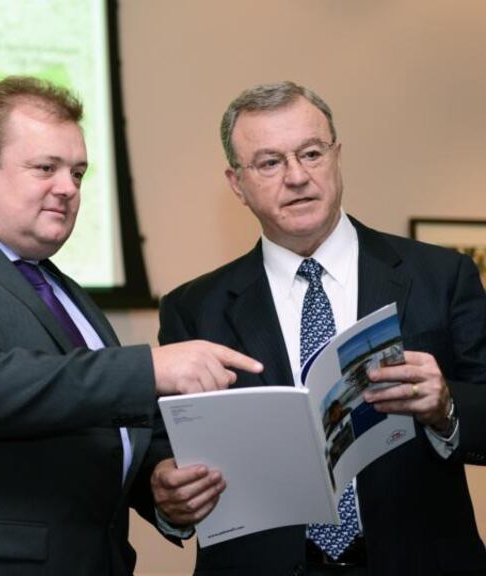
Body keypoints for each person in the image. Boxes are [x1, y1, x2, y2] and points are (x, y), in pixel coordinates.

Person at [0, 76, 262, 575]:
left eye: (78, 173)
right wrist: (150, 368)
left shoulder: (60, 290)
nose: (68, 188)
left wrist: (157, 484)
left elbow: (84, 425)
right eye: (45, 168)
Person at [153, 80, 486, 575]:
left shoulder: (440, 275)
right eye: (269, 163)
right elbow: (165, 449)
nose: (297, 177)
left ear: (336, 156)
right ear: (236, 183)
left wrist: (446, 406)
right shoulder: (194, 308)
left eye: (311, 153)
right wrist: (166, 494)